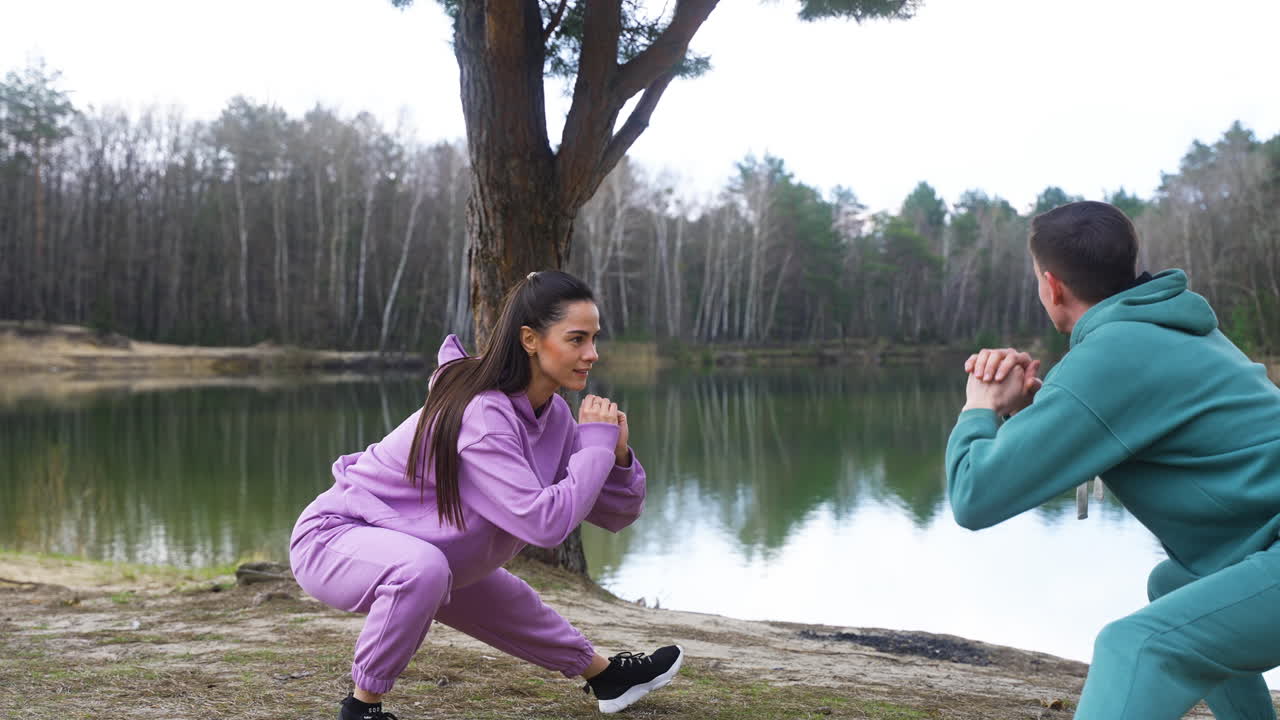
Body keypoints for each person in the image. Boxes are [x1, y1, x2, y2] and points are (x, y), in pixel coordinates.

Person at [289, 270, 684, 720]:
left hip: (428, 550)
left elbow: (615, 514)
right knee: (424, 570)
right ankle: (362, 707)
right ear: (530, 339)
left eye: (594, 339)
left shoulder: (553, 415)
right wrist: (593, 446)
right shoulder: (483, 414)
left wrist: (616, 456)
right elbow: (544, 524)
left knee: (506, 600)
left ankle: (607, 677)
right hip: (334, 539)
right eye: (576, 339)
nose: (592, 354)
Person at [946, 201, 1280, 719]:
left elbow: (974, 495)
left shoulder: (1111, 355)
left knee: (1136, 646)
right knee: (1175, 585)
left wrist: (978, 405)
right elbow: (1124, 421)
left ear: (1052, 286)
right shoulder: (1174, 328)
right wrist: (1038, 410)